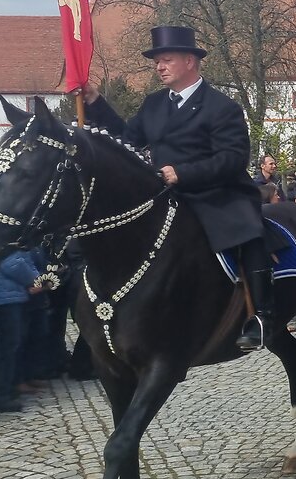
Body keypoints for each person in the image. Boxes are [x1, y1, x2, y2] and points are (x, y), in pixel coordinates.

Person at [84, 26, 278, 350]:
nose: (159, 67)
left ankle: (262, 315)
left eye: (166, 60)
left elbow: (233, 159)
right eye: (157, 61)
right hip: (167, 194)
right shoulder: (153, 104)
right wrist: (95, 102)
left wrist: (183, 173)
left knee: (248, 233)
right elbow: (125, 142)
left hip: (218, 192)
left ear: (190, 61)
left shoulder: (222, 107)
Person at [0, 249, 45, 412]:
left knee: (10, 345)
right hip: (6, 297)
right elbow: (12, 263)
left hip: (9, 295)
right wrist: (35, 279)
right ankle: (2, 394)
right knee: (8, 345)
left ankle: (8, 388)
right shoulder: (6, 240)